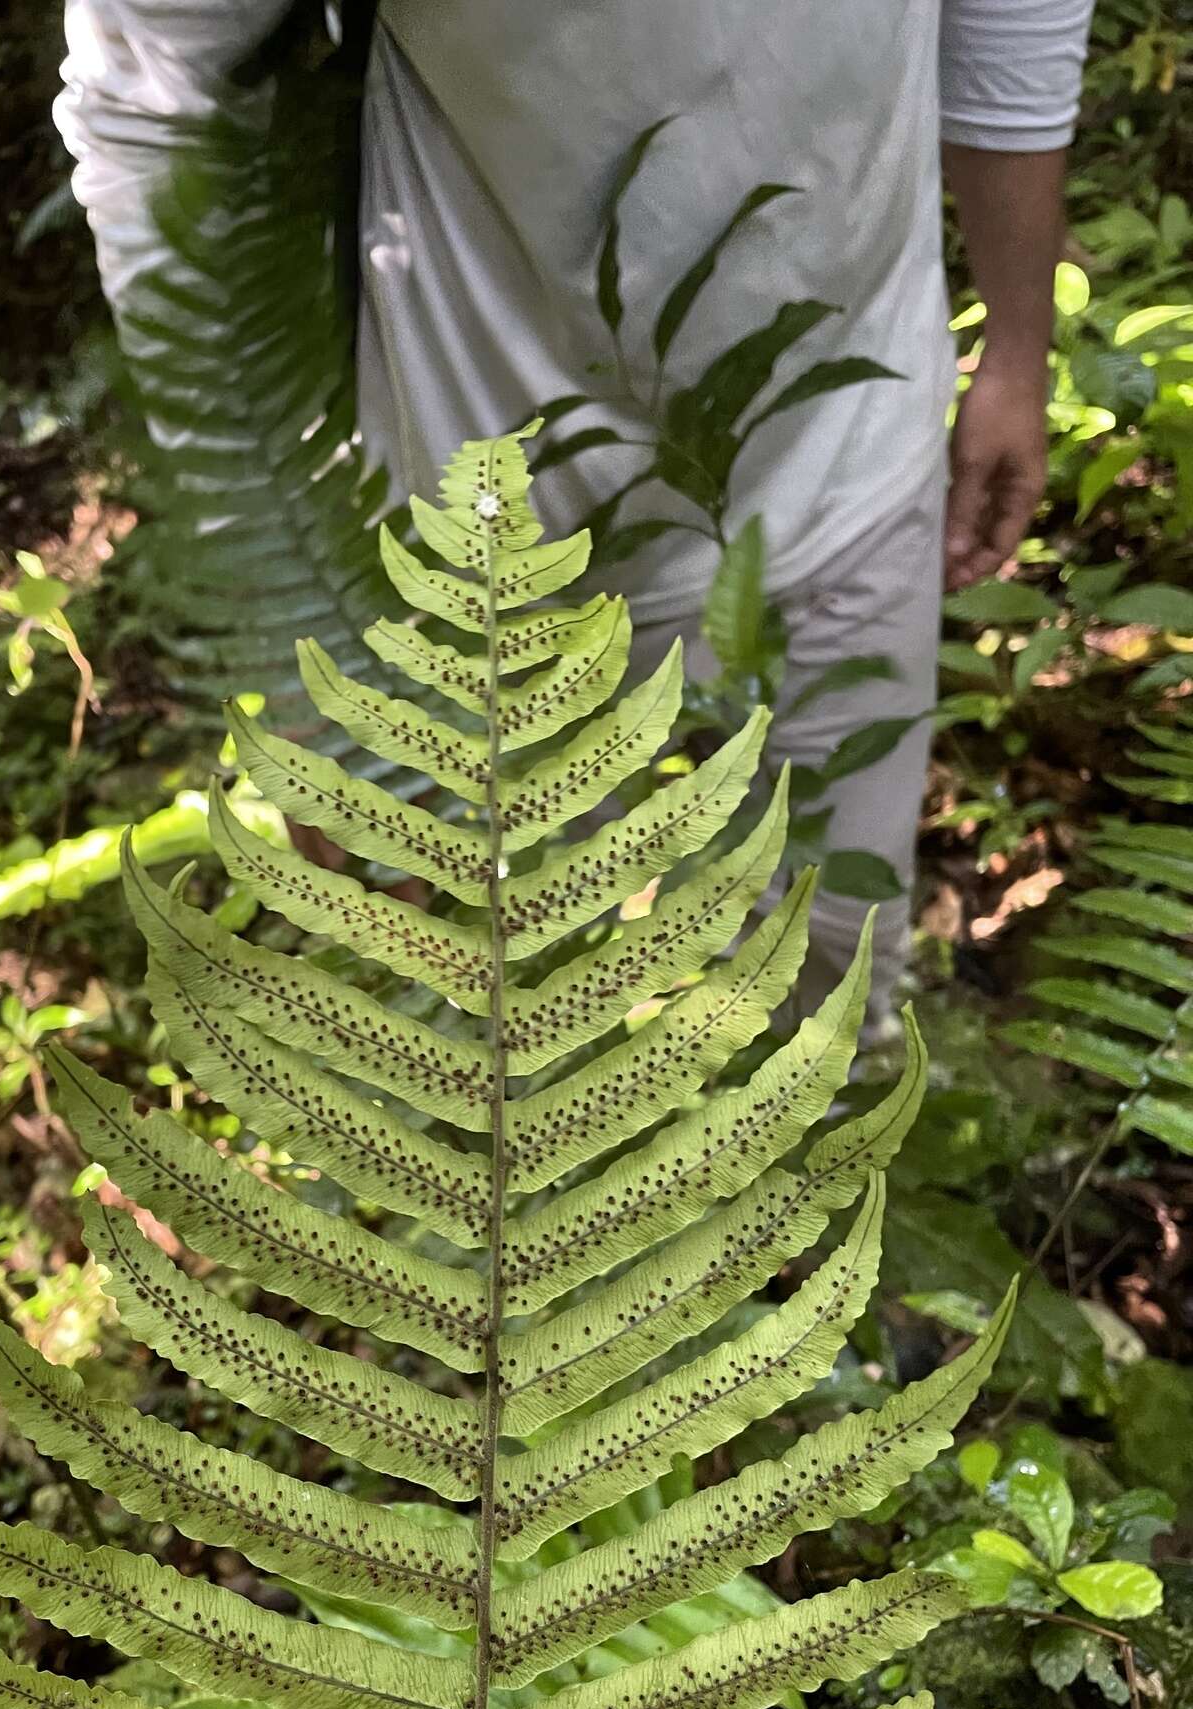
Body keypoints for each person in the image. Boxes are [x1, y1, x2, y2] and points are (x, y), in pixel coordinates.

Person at [56, 1, 1095, 1020]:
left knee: (833, 1015)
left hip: (862, 451)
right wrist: (288, 625)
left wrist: (1016, 345)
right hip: (481, 553)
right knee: (501, 1066)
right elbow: (155, 110)